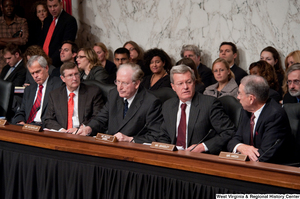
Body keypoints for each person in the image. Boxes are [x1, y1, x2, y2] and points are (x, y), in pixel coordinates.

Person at [76, 63, 169, 144]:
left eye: (124, 83)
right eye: (118, 81)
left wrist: (130, 139)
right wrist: (88, 128)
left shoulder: (150, 102)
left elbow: (155, 135)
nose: (119, 87)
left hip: (133, 150)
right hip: (111, 146)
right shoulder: (113, 94)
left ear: (136, 84)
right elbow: (101, 119)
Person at [160, 64, 235, 154]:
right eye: (180, 83)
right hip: (173, 157)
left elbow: (228, 131)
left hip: (199, 158)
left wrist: (204, 146)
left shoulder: (209, 104)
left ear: (194, 82)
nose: (185, 87)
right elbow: (163, 135)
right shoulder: (168, 106)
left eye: (189, 82)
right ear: (173, 87)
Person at [227, 75, 290, 162]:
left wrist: (242, 156)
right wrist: (241, 147)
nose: (238, 97)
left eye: (240, 93)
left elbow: (265, 154)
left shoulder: (275, 116)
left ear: (251, 99)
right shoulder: (246, 110)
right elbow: (233, 141)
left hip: (272, 169)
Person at [44, 62, 104, 133]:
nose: (75, 78)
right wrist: (62, 130)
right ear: (63, 78)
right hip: (62, 134)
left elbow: (97, 117)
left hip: (82, 134)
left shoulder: (93, 92)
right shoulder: (55, 95)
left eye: (76, 74)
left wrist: (82, 128)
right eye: (70, 75)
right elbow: (48, 119)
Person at [12, 55, 63, 125]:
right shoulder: (29, 90)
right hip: (27, 127)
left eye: (38, 71)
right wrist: (20, 121)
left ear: (46, 68)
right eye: (32, 73)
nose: (35, 76)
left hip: (45, 127)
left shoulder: (58, 85)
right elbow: (21, 111)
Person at [39, 0, 77, 68]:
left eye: (55, 6)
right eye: (50, 6)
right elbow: (43, 42)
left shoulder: (69, 21)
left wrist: (49, 62)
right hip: (44, 63)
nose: (52, 9)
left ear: (61, 4)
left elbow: (66, 45)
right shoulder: (47, 20)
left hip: (59, 64)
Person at [0, 0, 29, 71]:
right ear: (2, 7)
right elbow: (20, 41)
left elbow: (24, 41)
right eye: (6, 6)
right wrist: (16, 40)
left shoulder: (22, 21)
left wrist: (1, 39)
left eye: (11, 6)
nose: (9, 8)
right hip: (1, 61)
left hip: (18, 62)